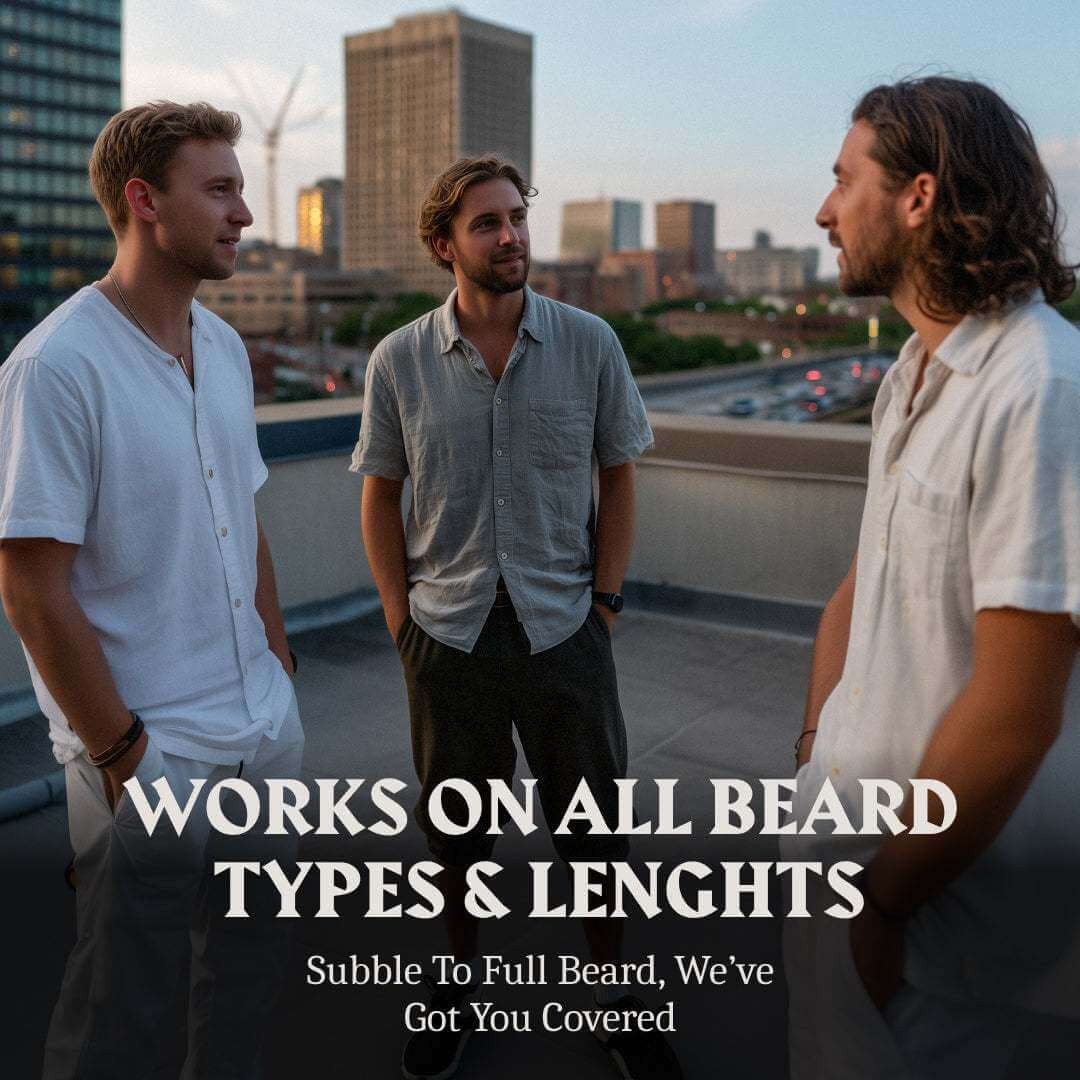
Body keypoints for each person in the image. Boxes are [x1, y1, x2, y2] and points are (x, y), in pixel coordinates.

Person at [351, 156, 679, 1080]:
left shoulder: (590, 343)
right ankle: (456, 991)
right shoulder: (399, 361)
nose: (512, 237)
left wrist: (604, 603)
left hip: (564, 629)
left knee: (596, 835)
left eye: (517, 218)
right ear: (444, 245)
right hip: (447, 635)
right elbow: (380, 495)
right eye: (487, 224)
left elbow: (619, 473)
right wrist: (399, 618)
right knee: (456, 840)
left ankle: (615, 1003)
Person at [0, 101, 302, 1078]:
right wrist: (130, 760)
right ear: (144, 200)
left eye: (240, 189)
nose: (244, 213)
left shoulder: (224, 348)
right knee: (116, 1016)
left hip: (263, 730)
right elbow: (31, 589)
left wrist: (279, 665)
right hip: (153, 755)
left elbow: (242, 517)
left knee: (248, 979)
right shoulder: (56, 367)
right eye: (220, 189)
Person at [788, 76, 1080, 1078]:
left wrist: (883, 905)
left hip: (950, 950)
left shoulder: (1041, 386)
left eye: (844, 181)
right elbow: (863, 588)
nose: (824, 211)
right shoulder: (913, 375)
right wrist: (814, 761)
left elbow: (1016, 712)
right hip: (851, 867)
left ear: (918, 196)